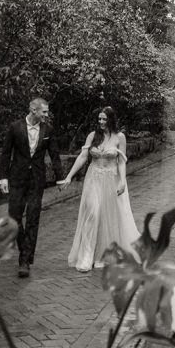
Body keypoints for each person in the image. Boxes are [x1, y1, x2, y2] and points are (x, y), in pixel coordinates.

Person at [57, 106, 139, 272]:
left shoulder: (119, 137)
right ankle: (87, 256)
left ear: (111, 120)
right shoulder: (93, 136)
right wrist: (69, 176)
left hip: (111, 179)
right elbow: (83, 157)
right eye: (99, 119)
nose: (101, 122)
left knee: (108, 217)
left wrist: (123, 181)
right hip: (93, 179)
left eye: (104, 119)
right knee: (92, 213)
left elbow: (122, 162)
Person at [0, 97, 62, 278]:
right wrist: (3, 177)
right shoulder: (15, 127)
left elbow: (55, 154)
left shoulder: (48, 129)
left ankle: (24, 261)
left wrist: (60, 178)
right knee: (14, 217)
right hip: (17, 178)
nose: (46, 115)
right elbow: (5, 153)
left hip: (37, 179)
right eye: (44, 112)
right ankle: (25, 250)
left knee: (33, 218)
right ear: (33, 110)